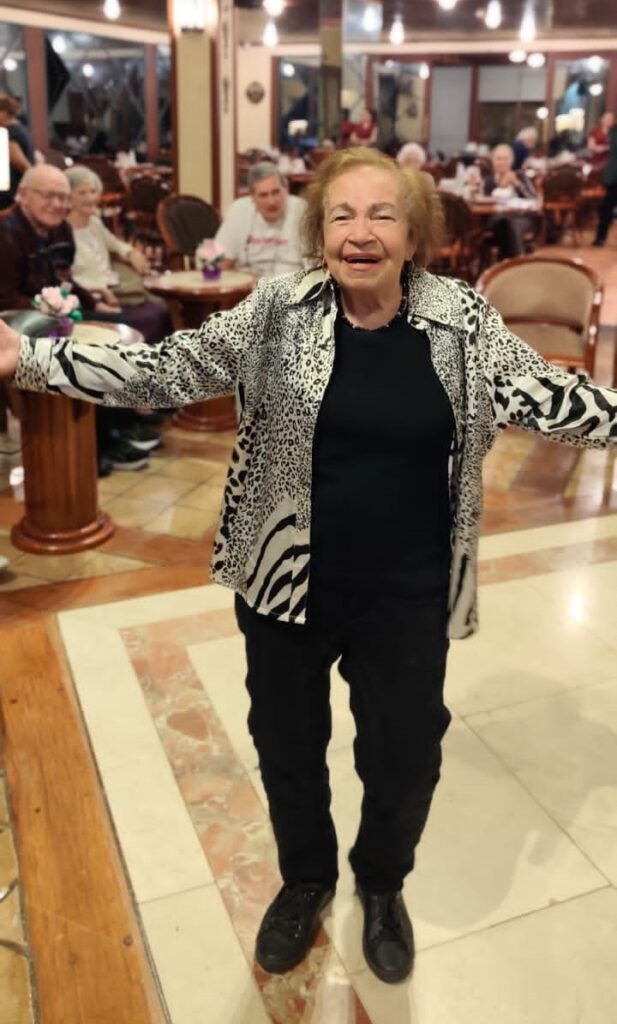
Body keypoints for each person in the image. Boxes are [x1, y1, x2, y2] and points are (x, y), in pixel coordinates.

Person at [0, 147, 615, 985]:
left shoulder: (462, 320)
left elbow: (553, 397)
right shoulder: (276, 310)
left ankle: (381, 883)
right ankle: (306, 881)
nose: (360, 232)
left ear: (413, 236)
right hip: (284, 581)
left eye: (381, 215)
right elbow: (166, 369)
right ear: (318, 231)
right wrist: (30, 359)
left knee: (404, 757)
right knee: (287, 746)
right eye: (340, 215)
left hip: (408, 590)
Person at [0, 163, 160, 472]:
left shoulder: (61, 229)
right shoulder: (5, 232)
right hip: (16, 327)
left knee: (118, 334)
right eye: (47, 196)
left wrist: (93, 302)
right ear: (23, 195)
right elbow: (5, 298)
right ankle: (100, 446)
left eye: (62, 197)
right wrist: (50, 309)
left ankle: (119, 427)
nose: (57, 204)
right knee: (87, 355)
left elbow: (65, 279)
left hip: (55, 316)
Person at [65, 166, 172, 345]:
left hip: (115, 289)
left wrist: (131, 253)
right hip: (89, 299)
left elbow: (116, 244)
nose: (90, 198)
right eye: (82, 193)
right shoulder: (63, 231)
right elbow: (67, 278)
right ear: (68, 198)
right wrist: (98, 291)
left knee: (163, 309)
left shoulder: (94, 223)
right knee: (148, 318)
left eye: (93, 191)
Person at [215, 162, 307, 279]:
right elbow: (219, 261)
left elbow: (315, 266)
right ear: (252, 197)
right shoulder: (239, 209)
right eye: (263, 195)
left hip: (291, 285)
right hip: (247, 285)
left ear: (286, 189)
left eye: (276, 192)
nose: (271, 202)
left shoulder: (301, 210)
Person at [484, 143, 537, 259]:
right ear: (493, 161)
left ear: (511, 161)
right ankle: (518, 260)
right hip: (496, 219)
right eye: (498, 159)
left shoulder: (520, 176)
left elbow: (533, 198)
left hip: (520, 217)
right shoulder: (488, 181)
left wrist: (517, 184)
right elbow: (483, 200)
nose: (502, 162)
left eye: (505, 158)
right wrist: (500, 187)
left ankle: (507, 262)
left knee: (511, 226)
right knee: (505, 223)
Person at [0, 93, 35, 210]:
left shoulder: (9, 134)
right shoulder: (20, 129)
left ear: (3, 112)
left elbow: (22, 165)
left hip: (8, 196)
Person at [593, 122, 617, 246]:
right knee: (607, 207)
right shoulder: (613, 131)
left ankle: (600, 238)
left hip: (612, 173)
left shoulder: (612, 131)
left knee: (607, 207)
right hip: (613, 174)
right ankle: (600, 237)